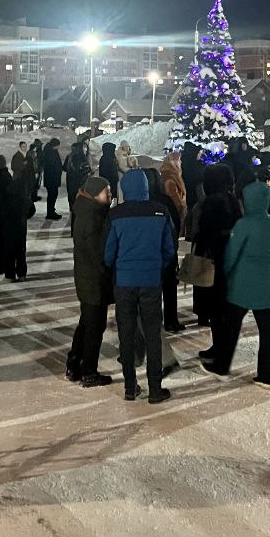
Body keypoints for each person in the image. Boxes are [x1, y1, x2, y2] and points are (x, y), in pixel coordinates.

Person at [104, 168, 175, 403]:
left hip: (124, 281)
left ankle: (129, 386)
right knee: (152, 332)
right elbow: (169, 249)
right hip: (151, 280)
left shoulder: (115, 215)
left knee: (126, 333)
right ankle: (155, 388)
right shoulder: (160, 211)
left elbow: (108, 253)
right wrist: (156, 265)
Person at [201, 180, 270, 387]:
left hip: (243, 283)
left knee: (231, 326)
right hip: (265, 282)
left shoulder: (244, 224)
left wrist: (225, 272)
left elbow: (232, 253)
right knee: (267, 331)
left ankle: (221, 366)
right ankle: (266, 375)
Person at [66, 175, 114, 386]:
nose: (110, 195)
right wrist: (110, 272)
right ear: (96, 194)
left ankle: (74, 364)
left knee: (86, 323)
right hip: (94, 280)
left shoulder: (87, 211)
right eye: (107, 192)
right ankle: (89, 371)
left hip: (87, 278)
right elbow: (99, 254)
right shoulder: (93, 218)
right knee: (94, 326)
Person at [192, 163, 242, 348]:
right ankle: (220, 346)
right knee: (223, 305)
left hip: (213, 260)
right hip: (229, 259)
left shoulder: (211, 202)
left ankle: (219, 347)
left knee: (215, 306)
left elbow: (204, 233)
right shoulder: (232, 200)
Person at [143, 167, 183, 332]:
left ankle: (150, 322)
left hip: (147, 252)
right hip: (167, 250)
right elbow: (176, 224)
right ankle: (171, 320)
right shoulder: (166, 201)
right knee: (169, 287)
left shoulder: (141, 203)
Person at [2, 158, 35, 281]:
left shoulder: (8, 192)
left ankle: (10, 274)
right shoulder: (24, 196)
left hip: (9, 225)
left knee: (9, 249)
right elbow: (31, 210)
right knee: (21, 250)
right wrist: (24, 215)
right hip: (21, 225)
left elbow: (3, 209)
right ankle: (21, 274)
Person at [65, 139, 91, 211]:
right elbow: (82, 171)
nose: (85, 150)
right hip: (79, 183)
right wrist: (88, 170)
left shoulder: (69, 156)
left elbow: (64, 168)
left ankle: (72, 217)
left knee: (72, 201)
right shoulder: (80, 158)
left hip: (70, 182)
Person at [42, 138, 64, 219]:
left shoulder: (50, 151)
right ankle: (50, 213)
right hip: (51, 179)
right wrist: (58, 170)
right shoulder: (50, 153)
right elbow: (53, 165)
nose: (58, 147)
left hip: (52, 178)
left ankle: (51, 211)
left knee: (53, 195)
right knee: (52, 195)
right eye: (58, 145)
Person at [180, 141, 204, 211]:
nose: (200, 155)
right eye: (199, 153)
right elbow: (198, 184)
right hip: (193, 197)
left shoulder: (181, 164)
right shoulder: (196, 167)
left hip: (183, 197)